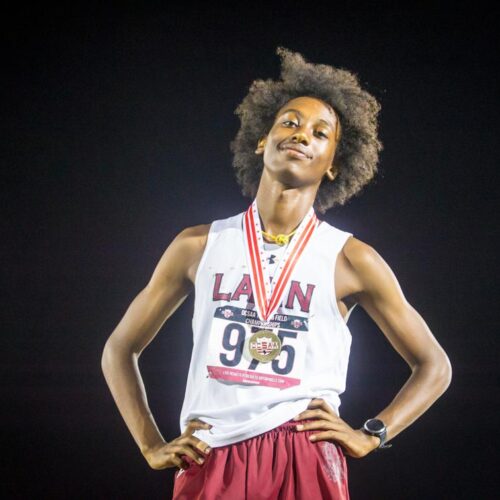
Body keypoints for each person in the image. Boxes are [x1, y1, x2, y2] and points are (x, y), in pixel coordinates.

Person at [101, 47, 452, 499]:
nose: (301, 134)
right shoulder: (197, 245)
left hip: (303, 451)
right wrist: (149, 444)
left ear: (334, 165)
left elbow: (435, 366)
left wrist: (372, 434)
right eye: (289, 122)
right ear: (262, 139)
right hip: (212, 451)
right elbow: (119, 349)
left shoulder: (350, 258)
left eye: (320, 132)